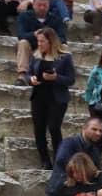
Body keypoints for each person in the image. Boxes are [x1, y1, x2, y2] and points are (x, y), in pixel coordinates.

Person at [27, 29, 75, 170]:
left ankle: (58, 160)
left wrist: (56, 78)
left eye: (42, 41)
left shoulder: (65, 57)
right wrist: (31, 79)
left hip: (57, 98)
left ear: (51, 41)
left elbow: (71, 79)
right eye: (38, 41)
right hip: (38, 97)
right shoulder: (36, 56)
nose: (39, 44)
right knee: (39, 129)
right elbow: (28, 73)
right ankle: (44, 160)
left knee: (54, 128)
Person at [45, 114, 102, 196]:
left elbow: (94, 172)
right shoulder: (69, 143)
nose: (98, 133)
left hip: (82, 190)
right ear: (84, 128)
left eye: (101, 131)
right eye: (94, 129)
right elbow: (63, 162)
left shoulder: (95, 150)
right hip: (63, 189)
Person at [13, 0, 69, 80]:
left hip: (50, 51)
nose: (42, 8)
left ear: (49, 5)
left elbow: (62, 38)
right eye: (39, 5)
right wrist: (34, 34)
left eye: (45, 5)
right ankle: (22, 76)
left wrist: (50, 39)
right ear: (33, 5)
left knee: (64, 46)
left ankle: (61, 76)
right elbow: (21, 35)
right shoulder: (24, 16)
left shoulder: (56, 19)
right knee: (23, 42)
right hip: (31, 50)